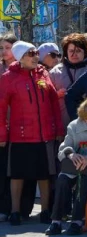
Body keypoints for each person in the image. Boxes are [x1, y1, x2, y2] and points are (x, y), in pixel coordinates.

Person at [0, 41, 62, 226]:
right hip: (20, 135)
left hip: (44, 135)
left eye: (36, 52)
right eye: (30, 53)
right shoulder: (8, 77)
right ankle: (15, 212)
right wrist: (2, 134)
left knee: (44, 174)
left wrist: (58, 128)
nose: (35, 56)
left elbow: (53, 104)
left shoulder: (43, 74)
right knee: (17, 175)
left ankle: (45, 211)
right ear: (20, 57)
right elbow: (1, 108)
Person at [45, 98, 87, 235]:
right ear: (86, 118)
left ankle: (77, 221)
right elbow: (64, 148)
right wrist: (71, 154)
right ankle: (56, 222)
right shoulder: (74, 126)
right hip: (76, 166)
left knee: (83, 180)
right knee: (62, 180)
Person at [50, 33, 87, 134]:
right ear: (65, 52)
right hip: (63, 124)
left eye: (78, 51)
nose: (74, 54)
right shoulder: (55, 72)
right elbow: (48, 99)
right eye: (71, 51)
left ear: (85, 52)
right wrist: (57, 95)